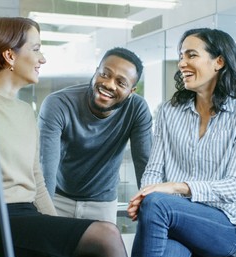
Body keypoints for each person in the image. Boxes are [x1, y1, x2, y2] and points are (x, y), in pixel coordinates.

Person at [0, 16, 128, 257]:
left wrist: (59, 230)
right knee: (106, 235)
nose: (42, 59)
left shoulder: (26, 111)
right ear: (10, 56)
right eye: (36, 49)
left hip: (29, 215)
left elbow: (36, 179)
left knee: (86, 248)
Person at [127, 27, 236, 257]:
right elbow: (154, 171)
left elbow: (233, 186)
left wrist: (175, 187)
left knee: (158, 203)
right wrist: (145, 197)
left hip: (223, 226)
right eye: (181, 56)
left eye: (191, 55)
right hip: (174, 220)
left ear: (218, 62)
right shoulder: (169, 111)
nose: (182, 63)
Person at [38, 47, 152, 224]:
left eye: (121, 83)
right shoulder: (58, 104)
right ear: (95, 72)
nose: (109, 84)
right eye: (105, 74)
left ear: (131, 91)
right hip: (58, 198)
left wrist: (152, 212)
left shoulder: (137, 109)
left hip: (103, 203)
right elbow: (46, 169)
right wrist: (45, 219)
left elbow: (144, 164)